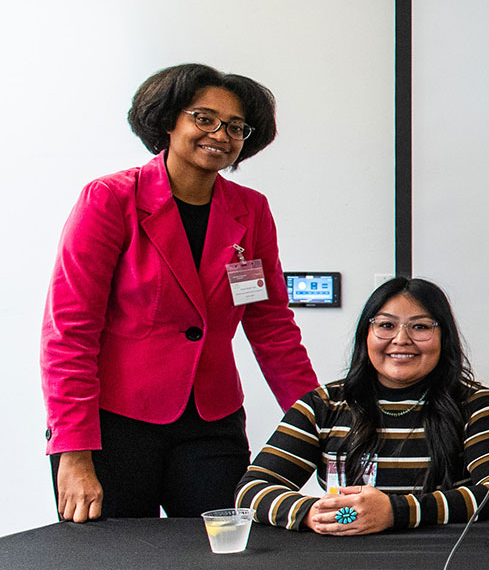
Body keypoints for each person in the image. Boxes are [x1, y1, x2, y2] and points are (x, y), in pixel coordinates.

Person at [41, 63, 318, 522]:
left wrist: (318, 419)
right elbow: (69, 332)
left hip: (213, 423)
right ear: (169, 120)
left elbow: (271, 327)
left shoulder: (251, 211)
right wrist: (73, 452)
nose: (221, 135)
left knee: (227, 561)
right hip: (113, 424)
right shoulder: (109, 199)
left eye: (235, 127)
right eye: (204, 118)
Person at [235, 278, 489, 533]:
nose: (401, 340)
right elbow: (251, 490)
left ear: (444, 337)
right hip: (347, 562)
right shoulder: (323, 404)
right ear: (366, 334)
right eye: (386, 325)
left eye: (420, 326)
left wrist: (397, 512)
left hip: (447, 564)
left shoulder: (478, 405)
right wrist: (311, 513)